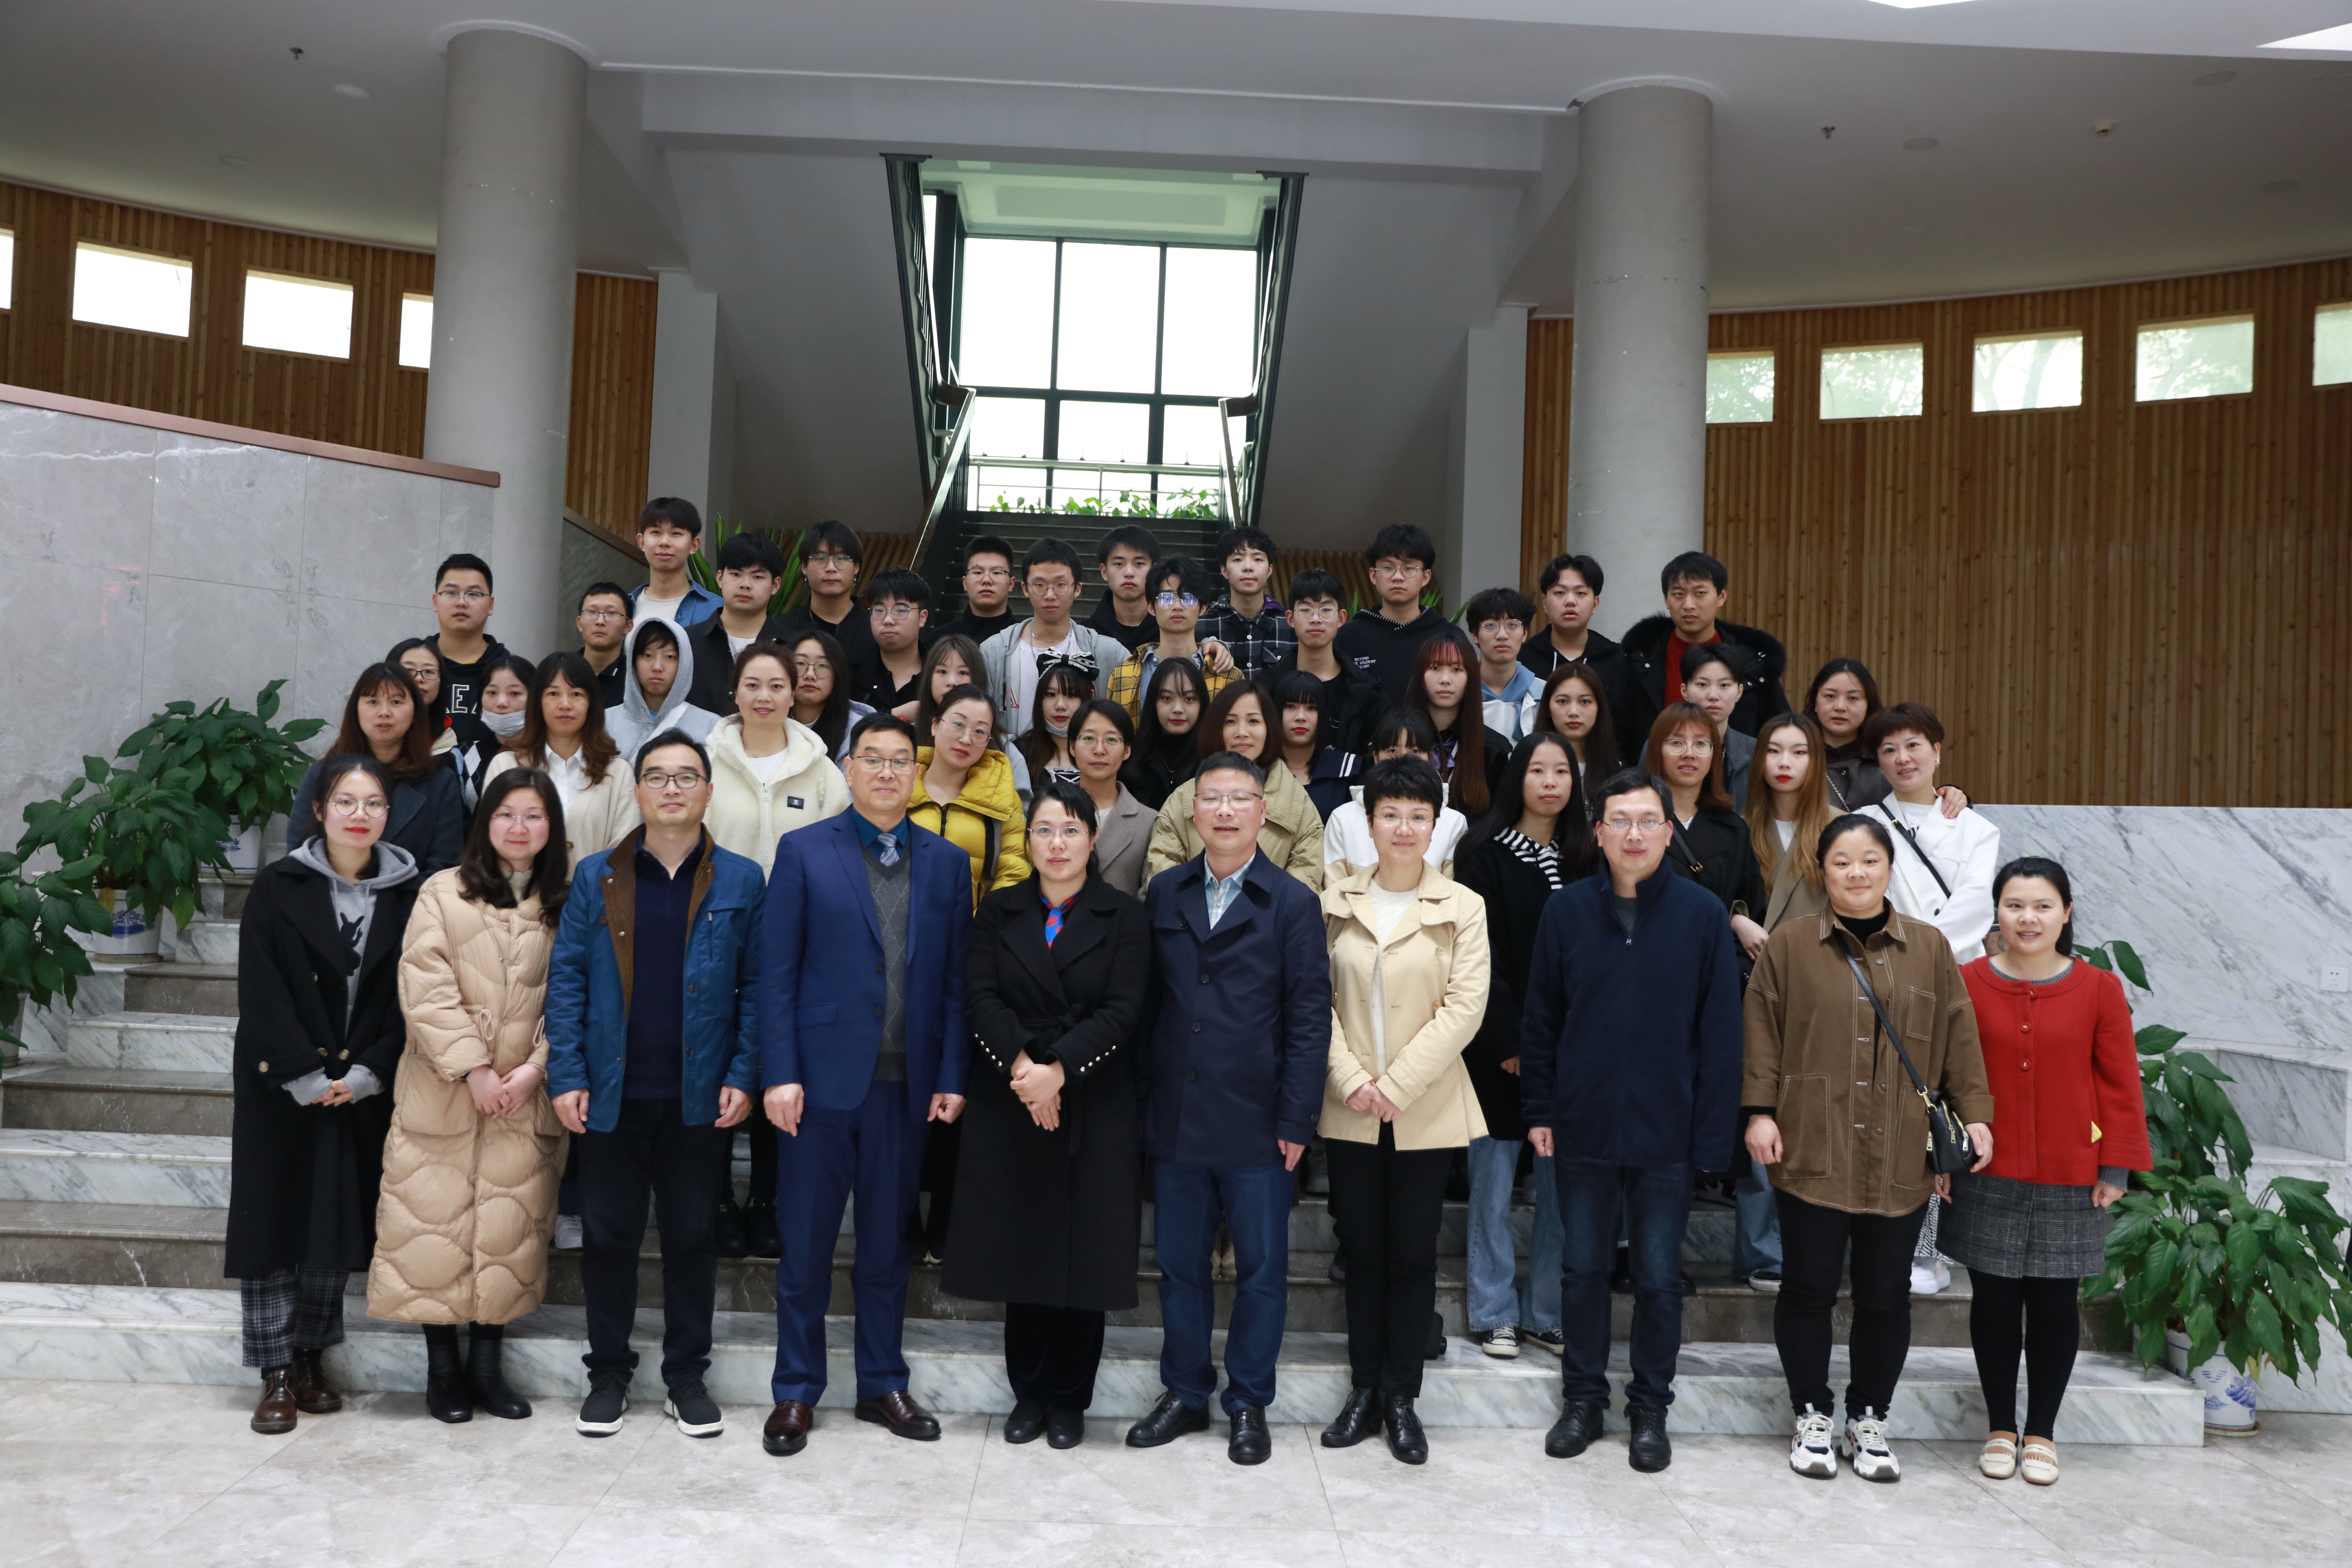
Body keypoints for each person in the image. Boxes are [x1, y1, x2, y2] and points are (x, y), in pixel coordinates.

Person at [1742, 813, 1993, 1483]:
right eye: (1842, 862)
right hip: (1812, 1140)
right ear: (1821, 872)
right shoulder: (1790, 946)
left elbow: (1959, 1037)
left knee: (1886, 1295)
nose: (1856, 873)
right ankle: (1811, 1414)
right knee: (1808, 1289)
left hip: (1900, 1149)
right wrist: (1759, 1112)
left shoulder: (1930, 948)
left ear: (1889, 868)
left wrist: (1976, 1117)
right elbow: (1761, 1033)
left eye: (1870, 861)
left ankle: (1869, 1417)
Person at [758, 714, 972, 1456]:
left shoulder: (948, 863)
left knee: (887, 1246)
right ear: (847, 771)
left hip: (904, 1087)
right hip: (817, 1087)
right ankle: (795, 1390)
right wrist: (780, 1073)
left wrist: (951, 1074)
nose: (886, 772)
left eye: (899, 761)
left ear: (916, 773)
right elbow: (776, 974)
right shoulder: (803, 851)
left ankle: (882, 1382)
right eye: (871, 760)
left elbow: (954, 983)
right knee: (806, 1247)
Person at [1518, 767, 1742, 1473]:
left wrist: (1712, 1136)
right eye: (1621, 821)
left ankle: (1649, 1408)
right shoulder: (1566, 911)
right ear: (1599, 832)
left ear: (1668, 833)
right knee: (1582, 1271)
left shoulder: (1702, 914)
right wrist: (1540, 1109)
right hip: (1582, 1124)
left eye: (1648, 821)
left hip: (1667, 1130)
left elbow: (1721, 1033)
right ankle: (1583, 1401)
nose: (1635, 834)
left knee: (1657, 1277)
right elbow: (1541, 1020)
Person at [546, 732, 763, 1442]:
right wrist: (567, 1074)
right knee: (608, 1238)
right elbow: (567, 980)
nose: (673, 789)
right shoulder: (597, 876)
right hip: (612, 1092)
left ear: (708, 792)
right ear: (638, 791)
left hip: (699, 1094)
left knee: (692, 1237)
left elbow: (758, 987)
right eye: (659, 777)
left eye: (686, 777)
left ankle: (686, 1377)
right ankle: (608, 1375)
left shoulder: (741, 880)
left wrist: (743, 1074)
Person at [1126, 751, 1329, 1467]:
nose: (1224, 811)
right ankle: (1185, 1392)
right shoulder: (1166, 893)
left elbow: (1309, 1019)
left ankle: (1248, 1402)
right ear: (1193, 810)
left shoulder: (1294, 902)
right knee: (1180, 1269)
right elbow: (1148, 1007)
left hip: (1259, 1121)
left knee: (1261, 1274)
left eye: (1239, 799)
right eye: (1211, 798)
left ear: (1263, 812)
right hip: (1177, 1115)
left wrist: (1296, 1119)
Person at [946, 781, 1152, 1449]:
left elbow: (1124, 1010)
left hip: (1094, 1095)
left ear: (1093, 840)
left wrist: (1058, 1070)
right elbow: (980, 997)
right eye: (1044, 830)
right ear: (1027, 840)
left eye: (1071, 831)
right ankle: (1029, 1393)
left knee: (1085, 1255)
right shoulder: (998, 910)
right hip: (1012, 1095)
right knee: (1023, 1249)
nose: (1057, 844)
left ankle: (1069, 1400)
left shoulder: (1125, 916)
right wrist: (1025, 1071)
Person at [228, 754, 422, 1434]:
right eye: (346, 802)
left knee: (333, 1221)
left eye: (373, 804)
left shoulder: (412, 894)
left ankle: (310, 1358)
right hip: (282, 1083)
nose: (359, 815)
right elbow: (261, 987)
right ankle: (274, 1371)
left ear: (388, 815)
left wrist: (368, 1073)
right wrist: (303, 1075)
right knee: (273, 1222)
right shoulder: (278, 885)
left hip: (359, 1085)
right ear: (319, 810)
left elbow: (411, 995)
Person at [368, 767, 568, 1424]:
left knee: (509, 1231)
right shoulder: (443, 891)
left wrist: (535, 1069)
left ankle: (487, 1368)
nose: (519, 827)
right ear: (485, 821)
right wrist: (474, 1069)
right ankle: (442, 1371)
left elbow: (577, 996)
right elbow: (424, 985)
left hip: (524, 1098)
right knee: (433, 1229)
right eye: (507, 813)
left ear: (552, 827)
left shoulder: (567, 901)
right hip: (444, 1090)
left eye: (534, 815)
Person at [1949, 858, 2149, 1486]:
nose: (2027, 918)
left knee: (2056, 1301)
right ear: (1997, 912)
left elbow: (2120, 1084)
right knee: (1993, 1300)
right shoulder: (1966, 982)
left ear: (2066, 913)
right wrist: (1941, 1160)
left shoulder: (2099, 989)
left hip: (2072, 1170)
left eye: (2042, 906)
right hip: (1987, 1167)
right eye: (2014, 905)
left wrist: (2116, 1164)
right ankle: (2000, 1428)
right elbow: (1946, 1076)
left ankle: (2041, 1432)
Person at [1317, 757, 1491, 1466]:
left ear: (1436, 826)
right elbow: (1314, 999)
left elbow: (1465, 1007)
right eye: (1390, 814)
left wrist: (1397, 1085)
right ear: (1369, 823)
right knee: (1360, 1250)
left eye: (1418, 816)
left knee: (1413, 1255)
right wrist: (1353, 1078)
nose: (1403, 827)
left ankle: (1401, 1396)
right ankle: (1363, 1389)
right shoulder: (1333, 900)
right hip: (1350, 1102)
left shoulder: (1463, 906)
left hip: (1423, 1106)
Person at [702, 641, 853, 1260]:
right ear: (734, 692)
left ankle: (766, 1201)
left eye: (777, 686)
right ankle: (716, 1200)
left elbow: (841, 859)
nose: (764, 697)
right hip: (715, 939)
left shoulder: (823, 773)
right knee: (715, 1064)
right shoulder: (706, 760)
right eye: (753, 685)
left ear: (796, 694)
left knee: (777, 1067)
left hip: (798, 947)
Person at [1451, 733, 1591, 1361]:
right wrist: (1510, 1039)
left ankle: (1546, 1313)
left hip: (1574, 1051)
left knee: (1563, 1189)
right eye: (1538, 770)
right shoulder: (1483, 854)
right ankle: (1492, 1312)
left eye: (1562, 771)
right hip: (1500, 1052)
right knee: (1492, 1186)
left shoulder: (1589, 856)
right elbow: (1479, 959)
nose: (1551, 782)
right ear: (1518, 779)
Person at [1733, 712, 1838, 1293]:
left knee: (1812, 1121)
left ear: (1815, 762)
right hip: (1747, 990)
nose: (1785, 763)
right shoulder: (1736, 824)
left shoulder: (1839, 829)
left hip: (1818, 993)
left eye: (1799, 752)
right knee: (1759, 1112)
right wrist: (1737, 919)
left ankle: (1809, 1249)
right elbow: (1719, 895)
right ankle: (1761, 1252)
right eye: (1774, 751)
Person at [289, 665, 466, 878]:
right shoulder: (321, 774)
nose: (384, 712)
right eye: (373, 701)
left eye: (396, 702)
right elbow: (299, 853)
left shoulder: (440, 782)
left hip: (411, 897)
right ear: (356, 710)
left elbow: (443, 869)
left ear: (415, 713)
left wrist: (388, 896)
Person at [1146, 682, 1325, 889]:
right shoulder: (1181, 801)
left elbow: (1303, 888)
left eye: (1253, 721)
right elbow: (1164, 882)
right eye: (1230, 721)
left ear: (1270, 728)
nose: (1242, 732)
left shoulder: (1299, 805)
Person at [1864, 703, 2001, 965]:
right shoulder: (1860, 825)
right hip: (1883, 963)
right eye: (1889, 750)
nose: (1902, 758)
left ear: (1936, 750)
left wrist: (1919, 951)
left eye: (1913, 745)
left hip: (1954, 965)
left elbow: (1974, 903)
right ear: (1879, 762)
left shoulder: (1978, 829)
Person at [483, 653, 640, 873]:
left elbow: (623, 853)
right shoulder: (505, 765)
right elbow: (490, 843)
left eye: (576, 694)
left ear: (592, 703)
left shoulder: (618, 771)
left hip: (596, 894)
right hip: (517, 893)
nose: (565, 705)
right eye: (553, 693)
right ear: (537, 702)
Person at [1618, 550, 1788, 744]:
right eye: (1678, 594)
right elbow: (1615, 734)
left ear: (1721, 596)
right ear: (1666, 600)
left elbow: (1780, 734)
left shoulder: (1753, 662)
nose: (1688, 604)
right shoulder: (1641, 658)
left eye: (1700, 593)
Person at [1644, 702, 1769, 967]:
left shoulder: (1733, 830)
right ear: (1657, 749)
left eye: (1701, 744)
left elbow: (1754, 908)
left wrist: (1736, 919)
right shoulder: (1635, 825)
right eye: (1676, 743)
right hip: (1648, 961)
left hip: (1714, 965)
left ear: (1715, 754)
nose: (1689, 754)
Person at [979, 539, 1118, 739]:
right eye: (1040, 585)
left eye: (1061, 584)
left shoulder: (1108, 653)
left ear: (1078, 588)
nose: (1050, 595)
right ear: (1025, 588)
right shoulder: (994, 652)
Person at [911, 684, 1033, 910]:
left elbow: (1014, 872)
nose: (966, 739)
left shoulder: (1003, 797)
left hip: (975, 928)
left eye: (979, 732)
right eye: (958, 725)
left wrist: (981, 925)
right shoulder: (900, 783)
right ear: (935, 725)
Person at [1324, 710, 1469, 879]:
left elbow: (1451, 891)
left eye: (1415, 751)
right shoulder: (1343, 818)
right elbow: (1335, 891)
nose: (1404, 758)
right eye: (1393, 750)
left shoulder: (1453, 822)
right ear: (1376, 757)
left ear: (1429, 757)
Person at [1520, 554, 1636, 740]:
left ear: (1595, 604)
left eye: (1580, 593)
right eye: (1560, 593)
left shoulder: (1617, 662)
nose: (1570, 601)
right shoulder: (1523, 660)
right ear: (1545, 603)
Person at [1269, 567, 1381, 759]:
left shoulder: (1367, 693)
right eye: (1305, 610)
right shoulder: (1267, 688)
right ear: (1290, 618)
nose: (1316, 619)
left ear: (1341, 618)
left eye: (1326, 610)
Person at [1106, 555, 1236, 719]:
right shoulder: (1123, 674)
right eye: (1166, 598)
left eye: (1188, 598)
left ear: (1203, 607)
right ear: (1151, 607)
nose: (1177, 606)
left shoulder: (1226, 675)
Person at [1336, 524, 1449, 703]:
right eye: (1388, 568)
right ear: (1373, 576)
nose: (1398, 577)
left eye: (1409, 568)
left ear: (1426, 577)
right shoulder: (1349, 637)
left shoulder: (1447, 636)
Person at [684, 529, 789, 714]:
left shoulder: (791, 646)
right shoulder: (687, 641)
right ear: (720, 578)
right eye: (736, 574)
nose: (745, 584)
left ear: (775, 585)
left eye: (757, 577)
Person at [1405, 629, 1506, 819]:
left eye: (1457, 669)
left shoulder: (1493, 750)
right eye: (1435, 668)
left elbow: (1497, 821)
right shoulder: (1397, 742)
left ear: (1471, 677)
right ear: (1420, 675)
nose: (1445, 680)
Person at [771, 518, 881, 686]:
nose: (831, 568)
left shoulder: (877, 630)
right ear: (804, 567)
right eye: (820, 558)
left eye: (841, 558)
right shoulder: (781, 630)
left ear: (856, 567)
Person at [1068, 699, 1154, 898]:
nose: (1099, 750)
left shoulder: (1149, 822)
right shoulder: (1051, 811)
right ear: (1072, 747)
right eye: (1089, 738)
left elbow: (1147, 898)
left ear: (1127, 750)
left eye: (1111, 740)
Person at [605, 617, 721, 761]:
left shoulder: (712, 727)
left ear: (684, 663)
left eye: (670, 657)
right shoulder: (605, 723)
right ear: (633, 662)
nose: (657, 667)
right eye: (648, 655)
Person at [1198, 526, 1294, 682]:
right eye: (1238, 559)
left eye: (1258, 559)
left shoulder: (1290, 626)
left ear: (1270, 570)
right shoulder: (1201, 626)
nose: (1248, 567)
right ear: (1224, 570)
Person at [448, 653, 536, 818]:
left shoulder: (551, 753)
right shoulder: (461, 756)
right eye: (492, 692)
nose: (501, 702)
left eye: (515, 693)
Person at [425, 553, 509, 719]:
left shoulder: (512, 672)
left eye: (474, 594)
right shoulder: (411, 668)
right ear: (435, 601)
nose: (462, 602)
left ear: (491, 605)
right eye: (451, 592)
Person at [1118, 657, 1209, 811]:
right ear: (1154, 702)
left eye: (1189, 699)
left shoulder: (1213, 756)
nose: (1178, 709)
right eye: (1167, 698)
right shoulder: (1130, 755)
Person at [1271, 669, 1361, 820]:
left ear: (1324, 715)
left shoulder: (1349, 771)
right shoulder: (1258, 771)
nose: (1301, 717)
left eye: (1312, 708)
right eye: (1290, 706)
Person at [1535, 661, 1624, 808]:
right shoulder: (1528, 765)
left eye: (1585, 701)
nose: (1574, 712)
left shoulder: (1617, 772)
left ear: (1599, 708)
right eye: (1563, 701)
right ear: (1548, 708)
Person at [1679, 642, 1755, 810]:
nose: (1713, 696)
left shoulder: (1755, 751)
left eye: (1724, 685)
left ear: (1739, 692)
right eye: (1702, 684)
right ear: (1685, 691)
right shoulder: (1661, 745)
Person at [1806, 658, 1889, 811]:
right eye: (1830, 696)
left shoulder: (1886, 759)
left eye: (1853, 698)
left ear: (1868, 706)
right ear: (1815, 703)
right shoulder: (1795, 755)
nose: (1840, 707)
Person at [628, 497, 722, 628]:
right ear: (642, 542)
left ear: (694, 545)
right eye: (656, 532)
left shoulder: (719, 610)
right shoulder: (621, 609)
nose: (665, 542)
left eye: (676, 533)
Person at [1467, 587, 1542, 744]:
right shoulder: (1459, 692)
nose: (1502, 635)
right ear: (1474, 635)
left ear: (1525, 633)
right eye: (1490, 625)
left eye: (1512, 625)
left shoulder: (1543, 694)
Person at [785, 630, 874, 761]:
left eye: (823, 665)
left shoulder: (862, 733)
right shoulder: (766, 722)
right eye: (800, 663)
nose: (810, 675)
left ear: (838, 674)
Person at [860, 567, 933, 715]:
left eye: (901, 611)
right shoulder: (853, 675)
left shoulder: (939, 677)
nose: (888, 620)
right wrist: (896, 714)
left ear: (922, 618)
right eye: (879, 610)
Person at [1016, 660, 1096, 793]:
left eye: (1072, 695)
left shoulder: (1104, 751)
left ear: (1091, 697)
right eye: (1050, 694)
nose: (1060, 705)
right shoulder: (1018, 753)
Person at [1085, 523, 1162, 654]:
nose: (1129, 573)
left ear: (1154, 571)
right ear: (1104, 571)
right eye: (1119, 564)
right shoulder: (1086, 635)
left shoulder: (1169, 631)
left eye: (1139, 564)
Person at [388, 636, 459, 762]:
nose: (419, 678)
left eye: (429, 671)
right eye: (408, 670)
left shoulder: (447, 743)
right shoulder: (370, 727)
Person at [945, 534, 1019, 644]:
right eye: (978, 572)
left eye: (997, 573)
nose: (986, 580)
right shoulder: (940, 641)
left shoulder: (1027, 641)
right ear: (965, 583)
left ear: (1011, 584)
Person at [574, 581, 633, 708]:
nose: (600, 621)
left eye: (611, 613)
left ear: (628, 626)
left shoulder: (635, 679)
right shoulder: (560, 672)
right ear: (579, 623)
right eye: (591, 612)